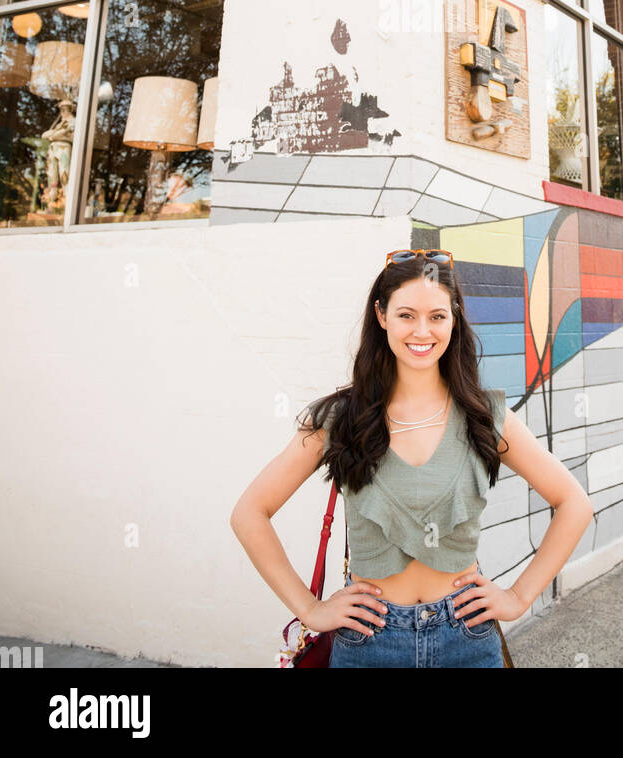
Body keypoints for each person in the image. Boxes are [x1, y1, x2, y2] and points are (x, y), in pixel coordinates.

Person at [229, 249, 594, 668]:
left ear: (454, 319)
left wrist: (517, 597)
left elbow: (574, 503)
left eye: (437, 316)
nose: (423, 331)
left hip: (466, 637)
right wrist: (311, 610)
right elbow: (249, 512)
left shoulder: (485, 415)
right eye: (407, 315)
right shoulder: (340, 417)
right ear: (382, 315)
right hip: (370, 643)